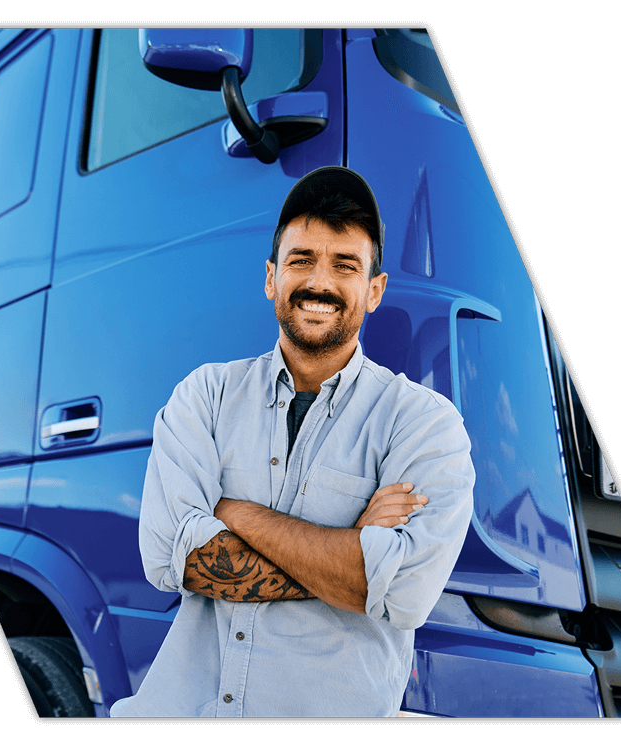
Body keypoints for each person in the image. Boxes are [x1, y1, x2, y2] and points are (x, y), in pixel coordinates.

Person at [109, 166, 475, 717]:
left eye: (344, 265)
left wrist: (235, 513)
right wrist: (351, 554)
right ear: (271, 278)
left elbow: (403, 593)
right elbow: (172, 559)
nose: (319, 283)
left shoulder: (423, 423)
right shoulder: (205, 395)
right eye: (301, 260)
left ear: (374, 291)